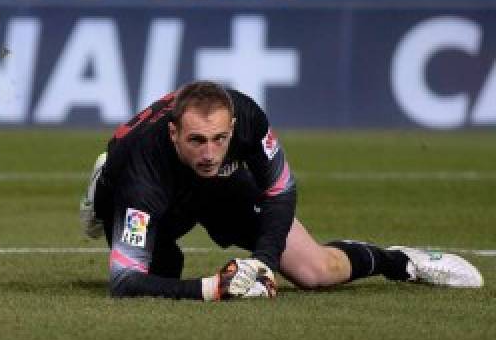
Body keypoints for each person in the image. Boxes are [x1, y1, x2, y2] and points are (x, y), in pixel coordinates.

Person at [79, 80, 484, 300]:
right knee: (158, 276)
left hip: (224, 187)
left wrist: (263, 264)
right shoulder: (142, 170)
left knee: (315, 271)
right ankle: (103, 190)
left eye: (219, 138)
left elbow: (281, 189)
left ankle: (402, 262)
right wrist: (213, 287)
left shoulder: (249, 118)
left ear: (233, 128)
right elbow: (123, 281)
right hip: (154, 195)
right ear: (173, 133)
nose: (209, 152)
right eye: (197, 140)